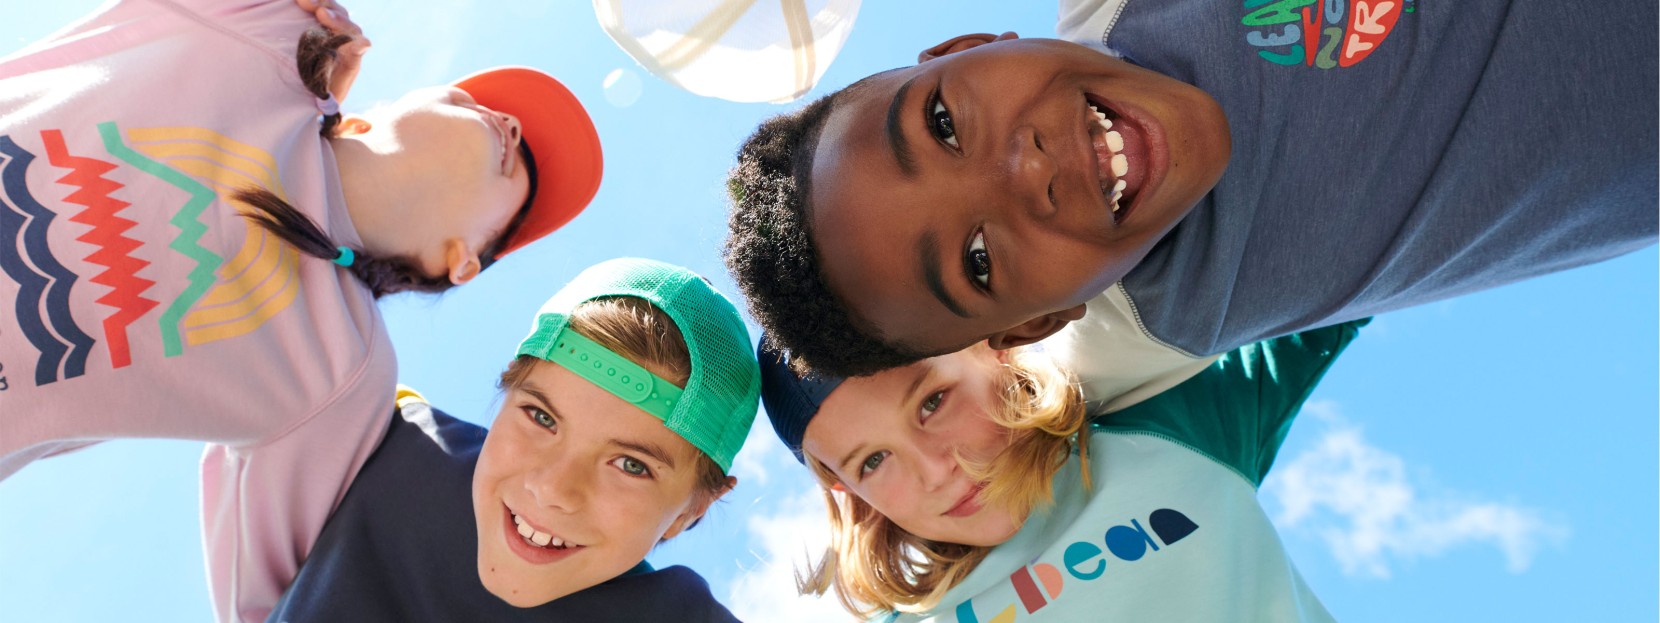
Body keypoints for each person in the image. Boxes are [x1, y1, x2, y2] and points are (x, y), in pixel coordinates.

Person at [0, 0, 600, 618]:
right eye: (478, 101)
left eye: (523, 171)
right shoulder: (259, 43)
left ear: (463, 261)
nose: (513, 128)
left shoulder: (339, 371)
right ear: (369, 115)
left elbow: (272, 606)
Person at [723, 0, 1658, 381]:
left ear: (966, 49)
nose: (1028, 171)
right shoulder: (1162, 327)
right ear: (1035, 326)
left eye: (942, 124)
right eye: (975, 261)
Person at [257, 257, 761, 622]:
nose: (552, 490)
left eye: (631, 465)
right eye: (541, 417)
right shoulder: (378, 436)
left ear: (689, 511)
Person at [760, 319, 1365, 620]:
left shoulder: (1170, 428)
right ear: (850, 494)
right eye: (873, 461)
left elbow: (1341, 274)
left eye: (932, 402)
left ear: (990, 348)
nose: (936, 470)